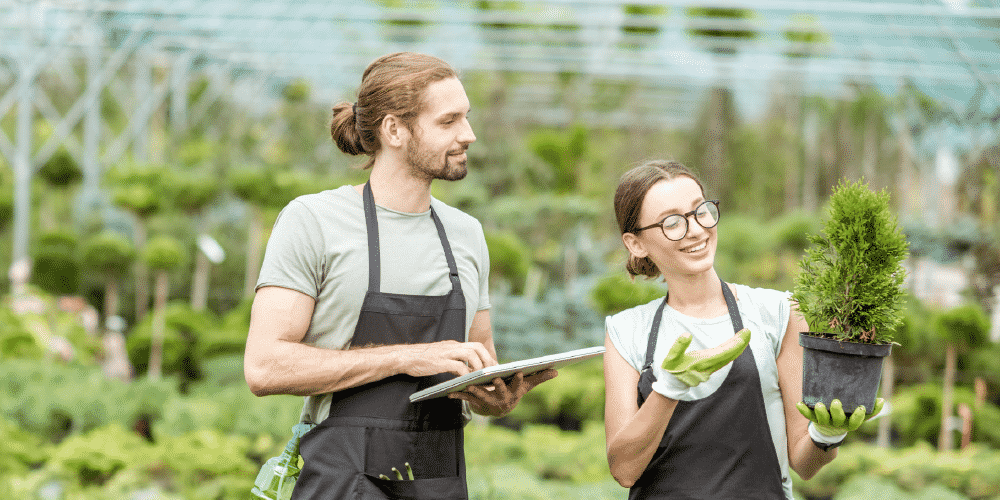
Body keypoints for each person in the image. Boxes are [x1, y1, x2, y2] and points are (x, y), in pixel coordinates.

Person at [244, 52, 556, 500]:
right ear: (394, 130)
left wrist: (493, 397)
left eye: (466, 118)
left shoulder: (466, 234)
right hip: (342, 481)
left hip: (439, 480)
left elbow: (478, 360)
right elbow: (264, 367)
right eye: (448, 121)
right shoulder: (314, 220)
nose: (468, 134)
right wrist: (409, 358)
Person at [603, 160, 882, 499]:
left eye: (700, 211)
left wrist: (825, 434)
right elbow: (623, 469)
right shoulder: (626, 330)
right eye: (672, 222)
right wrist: (668, 390)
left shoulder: (778, 312)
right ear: (636, 244)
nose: (695, 230)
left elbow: (804, 463)